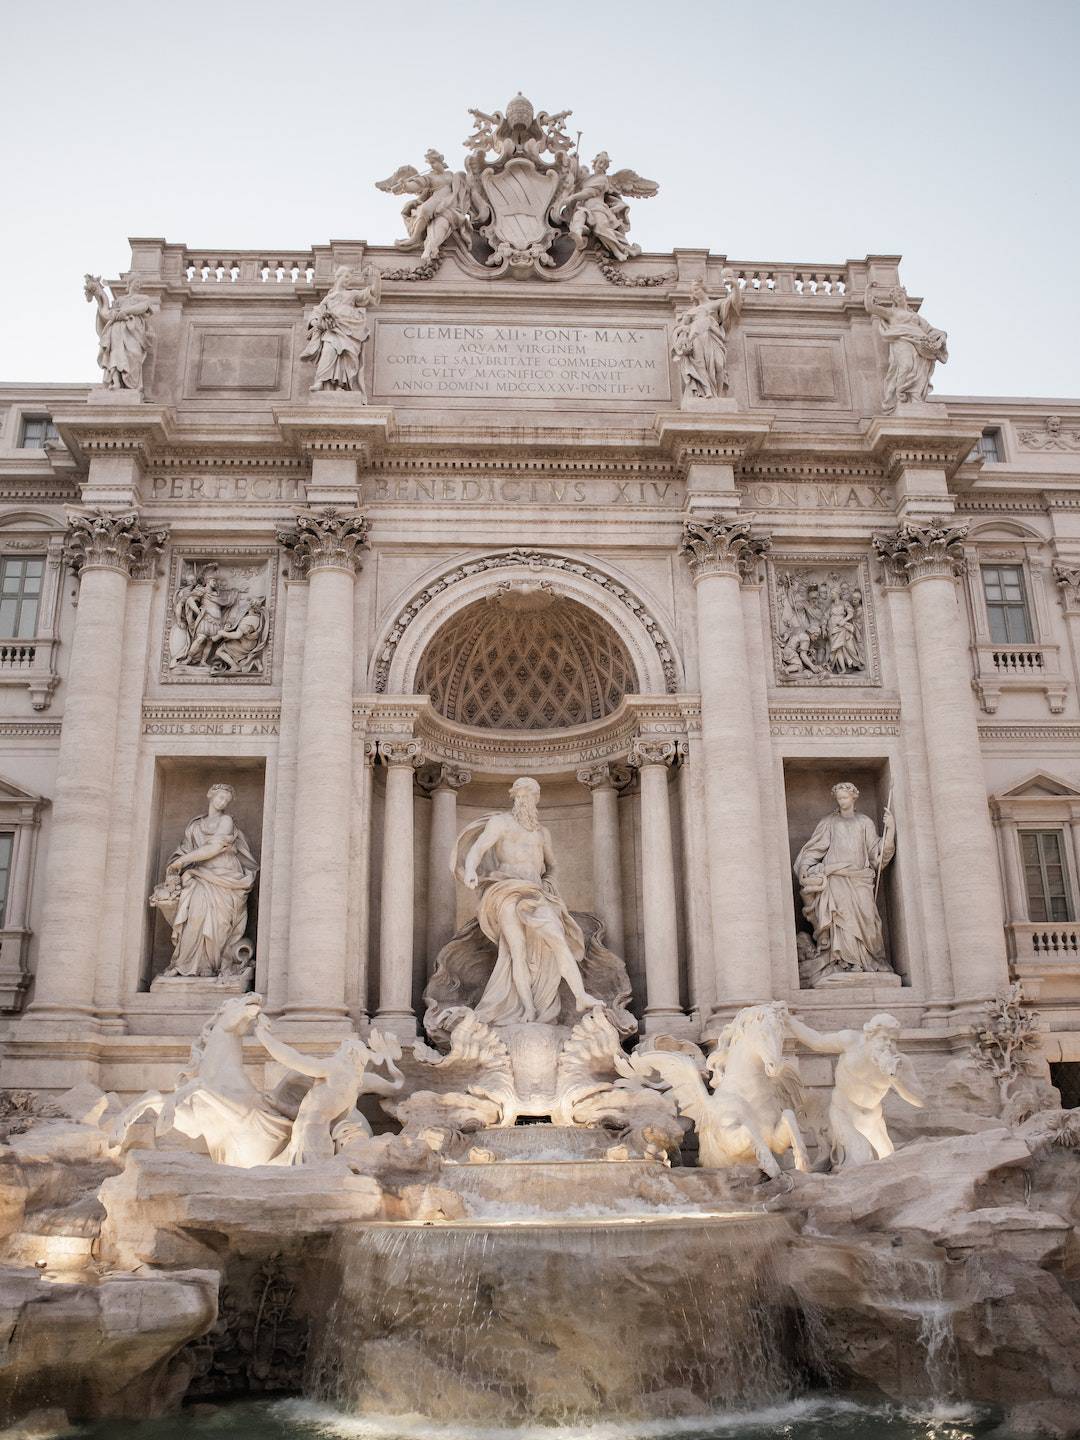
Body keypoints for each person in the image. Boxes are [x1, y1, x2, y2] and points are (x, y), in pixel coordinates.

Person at [454, 777, 602, 1025]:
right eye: (521, 795)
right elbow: (477, 850)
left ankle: (580, 995)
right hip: (505, 890)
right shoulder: (500, 823)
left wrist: (549, 883)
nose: (525, 800)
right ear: (514, 797)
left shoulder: (542, 833)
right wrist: (470, 870)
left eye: (530, 795)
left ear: (537, 799)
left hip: (535, 892)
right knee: (517, 951)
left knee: (558, 939)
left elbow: (552, 865)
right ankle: (527, 1009)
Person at [254, 1017, 404, 1165]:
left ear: (349, 1053)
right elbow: (396, 1087)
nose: (336, 1052)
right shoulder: (353, 1085)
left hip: (310, 1139)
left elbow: (294, 1059)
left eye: (340, 1049)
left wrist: (264, 1036)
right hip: (316, 1139)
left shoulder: (335, 1069)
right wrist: (280, 1106)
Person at [783, 1011, 925, 1165]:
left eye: (893, 1040)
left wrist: (896, 1078)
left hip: (873, 1118)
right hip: (843, 1112)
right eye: (884, 1038)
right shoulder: (850, 1041)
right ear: (870, 1036)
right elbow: (816, 1041)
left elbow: (919, 1100)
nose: (889, 1045)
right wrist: (789, 1021)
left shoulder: (900, 1063)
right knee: (860, 1156)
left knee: (889, 1159)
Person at [151, 783, 258, 979]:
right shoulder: (195, 826)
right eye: (220, 797)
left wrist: (184, 861)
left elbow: (214, 848)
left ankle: (211, 966)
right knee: (195, 916)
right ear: (210, 795)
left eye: (226, 800)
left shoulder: (226, 820)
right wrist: (178, 864)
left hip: (225, 877)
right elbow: (183, 850)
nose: (223, 802)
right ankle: (185, 964)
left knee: (219, 923)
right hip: (200, 876)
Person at [794, 782, 895, 983]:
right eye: (839, 798)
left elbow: (877, 854)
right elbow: (814, 850)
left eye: (845, 797)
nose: (842, 801)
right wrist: (805, 867)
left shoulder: (864, 822)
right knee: (841, 921)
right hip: (836, 879)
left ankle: (868, 960)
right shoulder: (829, 822)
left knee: (868, 921)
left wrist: (890, 830)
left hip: (860, 879)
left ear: (854, 797)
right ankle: (844, 963)